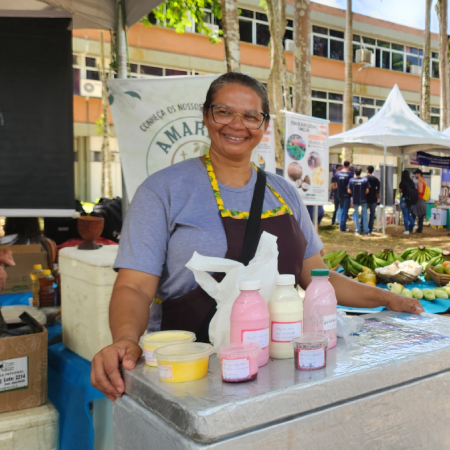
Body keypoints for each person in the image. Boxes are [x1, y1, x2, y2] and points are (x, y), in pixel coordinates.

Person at [90, 73, 422, 401]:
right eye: (224, 112)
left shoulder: (283, 193)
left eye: (251, 116)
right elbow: (134, 286)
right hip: (191, 371)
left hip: (275, 371)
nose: (237, 124)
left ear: (263, 127)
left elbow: (318, 277)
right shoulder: (163, 190)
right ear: (206, 115)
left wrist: (386, 298)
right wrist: (124, 338)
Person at [347, 167, 370, 236]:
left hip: (355, 199)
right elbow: (367, 191)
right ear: (361, 172)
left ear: (354, 172)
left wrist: (354, 194)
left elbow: (349, 190)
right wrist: (362, 194)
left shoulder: (351, 180)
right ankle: (366, 231)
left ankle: (358, 230)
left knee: (356, 215)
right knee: (365, 215)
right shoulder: (365, 180)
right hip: (363, 199)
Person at [332, 161, 353, 232]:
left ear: (343, 165)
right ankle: (342, 227)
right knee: (345, 210)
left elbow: (334, 184)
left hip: (339, 194)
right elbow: (350, 186)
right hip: (346, 195)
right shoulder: (350, 174)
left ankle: (342, 225)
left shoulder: (337, 174)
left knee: (342, 209)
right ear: (349, 166)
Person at [398, 170, 418, 235]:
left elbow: (400, 191)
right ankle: (414, 225)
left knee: (405, 215)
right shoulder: (411, 182)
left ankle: (407, 230)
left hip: (404, 200)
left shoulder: (402, 183)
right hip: (411, 201)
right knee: (408, 214)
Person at [365, 166, 381, 234]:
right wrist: (379, 198)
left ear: (367, 170)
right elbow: (380, 188)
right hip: (373, 199)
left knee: (364, 214)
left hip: (365, 199)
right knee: (372, 216)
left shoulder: (364, 178)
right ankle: (370, 230)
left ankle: (363, 228)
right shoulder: (375, 179)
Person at [412, 169, 428, 233]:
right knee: (421, 214)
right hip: (422, 200)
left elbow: (420, 191)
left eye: (415, 174)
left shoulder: (420, 182)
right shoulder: (424, 181)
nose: (415, 175)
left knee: (414, 213)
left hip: (419, 199)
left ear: (418, 174)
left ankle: (412, 227)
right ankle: (420, 228)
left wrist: (414, 191)